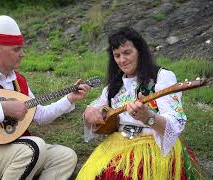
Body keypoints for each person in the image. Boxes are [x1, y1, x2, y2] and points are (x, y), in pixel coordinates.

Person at [0, 15, 91, 180]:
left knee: (65, 156)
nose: (22, 54)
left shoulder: (19, 81)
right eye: (16, 49)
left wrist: (69, 99)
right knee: (35, 147)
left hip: (17, 149)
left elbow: (40, 116)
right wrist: (2, 109)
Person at [76, 27, 205, 180]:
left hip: (153, 145)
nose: (122, 60)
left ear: (140, 51)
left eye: (127, 53)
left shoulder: (161, 77)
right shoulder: (115, 85)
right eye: (117, 55)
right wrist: (89, 113)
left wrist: (148, 117)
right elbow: (96, 106)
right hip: (119, 141)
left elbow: (175, 124)